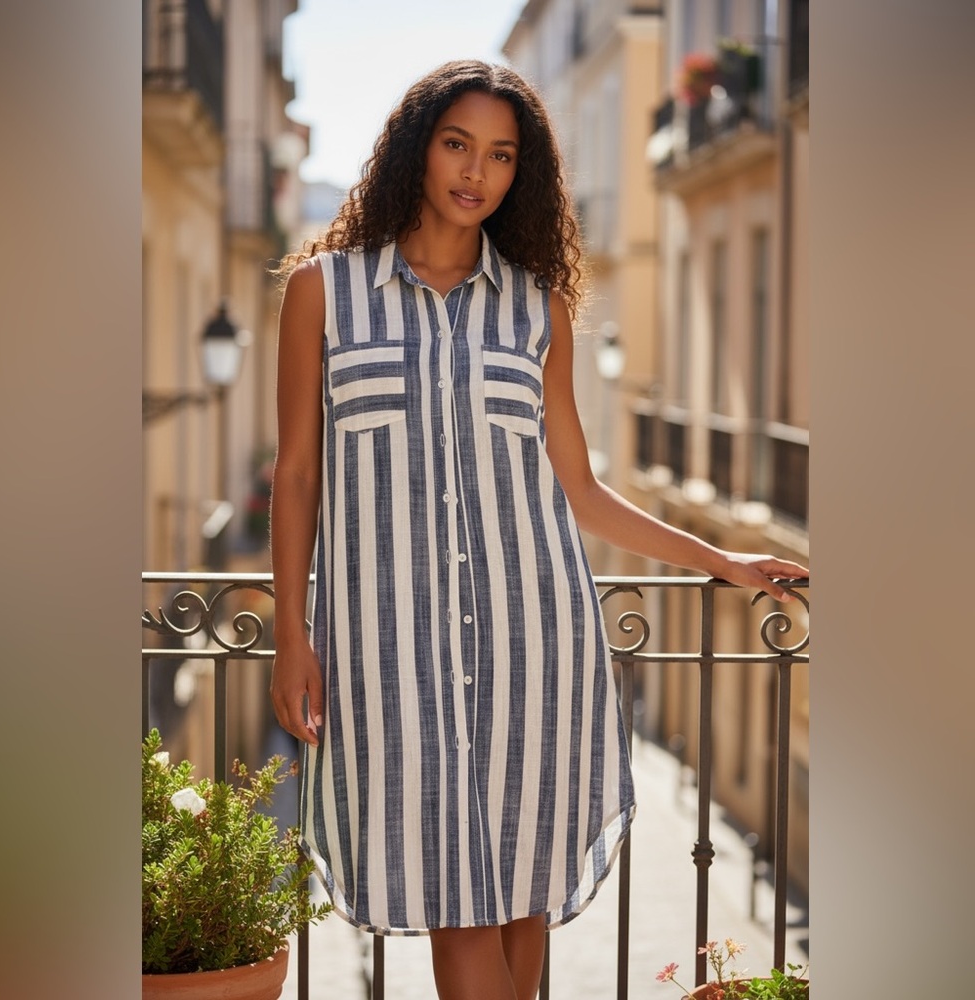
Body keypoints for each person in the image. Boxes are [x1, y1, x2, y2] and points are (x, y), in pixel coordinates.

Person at [268, 60, 808, 1000]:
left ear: (525, 175)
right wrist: (290, 631)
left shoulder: (537, 308)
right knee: (458, 904)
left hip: (536, 644)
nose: (476, 172)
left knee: (519, 907)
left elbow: (583, 491)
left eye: (502, 156)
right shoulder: (324, 292)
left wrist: (723, 560)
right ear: (416, 147)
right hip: (389, 651)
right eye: (457, 144)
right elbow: (299, 473)